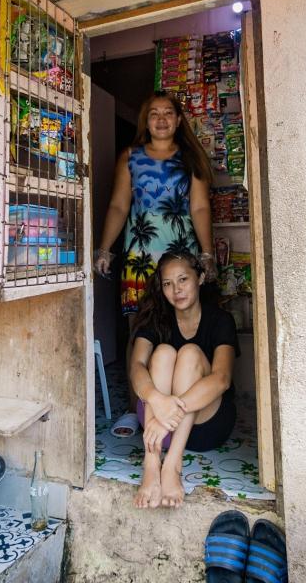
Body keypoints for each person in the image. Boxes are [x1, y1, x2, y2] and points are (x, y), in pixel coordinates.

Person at [94, 91, 216, 437]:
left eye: (168, 113)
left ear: (178, 120)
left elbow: (200, 208)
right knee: (139, 331)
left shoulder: (191, 157)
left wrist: (206, 254)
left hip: (182, 257)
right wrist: (105, 248)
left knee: (184, 329)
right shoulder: (130, 157)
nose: (161, 120)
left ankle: (184, 406)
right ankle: (138, 410)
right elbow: (118, 205)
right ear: (145, 121)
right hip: (140, 257)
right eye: (153, 114)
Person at [129, 251, 238, 509]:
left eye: (183, 280)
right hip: (160, 425)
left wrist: (171, 412)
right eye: (168, 283)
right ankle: (152, 463)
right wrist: (158, 400)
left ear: (199, 278)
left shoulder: (220, 320)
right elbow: (136, 366)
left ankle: (173, 465)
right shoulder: (156, 318)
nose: (176, 290)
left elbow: (222, 379)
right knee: (164, 353)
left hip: (205, 426)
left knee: (190, 354)